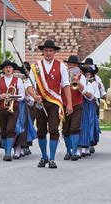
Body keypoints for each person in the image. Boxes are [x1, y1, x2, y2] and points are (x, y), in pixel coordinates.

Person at [29, 39, 73, 169]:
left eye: (51, 51)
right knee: (41, 130)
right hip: (40, 102)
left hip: (54, 102)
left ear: (54, 52)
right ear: (43, 52)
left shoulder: (61, 67)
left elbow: (66, 85)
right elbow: (29, 85)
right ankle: (44, 157)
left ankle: (52, 159)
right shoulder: (35, 67)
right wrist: (34, 96)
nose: (48, 53)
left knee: (53, 129)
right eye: (46, 51)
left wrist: (69, 104)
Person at [0, 60, 24, 161]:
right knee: (4, 130)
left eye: (10, 67)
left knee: (10, 129)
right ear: (3, 70)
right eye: (6, 67)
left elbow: (22, 95)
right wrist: (1, 96)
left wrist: (14, 97)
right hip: (2, 108)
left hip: (14, 108)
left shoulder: (18, 80)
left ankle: (9, 153)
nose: (8, 69)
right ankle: (6, 152)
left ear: (13, 69)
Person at [62, 55, 85, 161]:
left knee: (75, 127)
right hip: (65, 104)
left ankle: (75, 151)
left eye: (73, 65)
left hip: (77, 104)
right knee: (66, 129)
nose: (70, 66)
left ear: (77, 66)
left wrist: (77, 81)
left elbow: (83, 90)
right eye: (69, 64)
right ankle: (68, 150)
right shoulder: (63, 74)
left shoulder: (82, 76)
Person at [80, 66, 101, 157]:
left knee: (90, 126)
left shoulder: (94, 84)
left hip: (90, 106)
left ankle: (87, 147)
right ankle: (82, 147)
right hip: (82, 105)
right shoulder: (82, 83)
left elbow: (96, 96)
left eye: (90, 74)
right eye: (86, 74)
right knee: (82, 126)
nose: (88, 75)